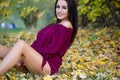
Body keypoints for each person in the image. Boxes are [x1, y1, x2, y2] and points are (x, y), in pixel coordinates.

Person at [0, 0, 78, 76]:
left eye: (64, 8)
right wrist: (25, 54)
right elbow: (38, 43)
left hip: (47, 65)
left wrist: (25, 54)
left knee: (21, 44)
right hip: (36, 61)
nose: (59, 10)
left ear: (70, 9)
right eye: (58, 6)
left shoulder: (66, 26)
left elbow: (52, 50)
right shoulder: (56, 25)